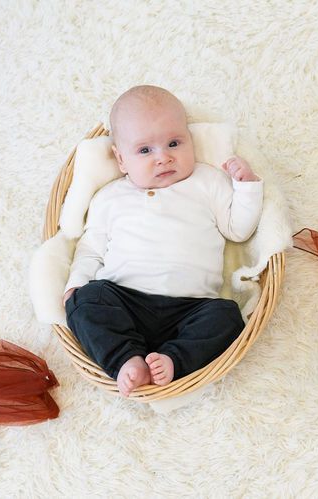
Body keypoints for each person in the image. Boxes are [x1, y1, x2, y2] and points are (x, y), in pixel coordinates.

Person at [63, 85, 263, 396]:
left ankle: (173, 359)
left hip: (191, 309)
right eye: (145, 150)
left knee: (228, 317)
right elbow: (90, 250)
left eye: (174, 143)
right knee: (84, 302)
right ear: (121, 159)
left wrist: (246, 187)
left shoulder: (207, 181)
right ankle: (126, 359)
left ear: (190, 140)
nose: (164, 158)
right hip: (124, 299)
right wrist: (75, 283)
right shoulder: (109, 198)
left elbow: (239, 230)